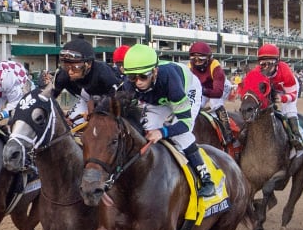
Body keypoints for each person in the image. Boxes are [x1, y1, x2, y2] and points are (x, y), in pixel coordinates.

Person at [121, 44, 215, 198]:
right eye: (133, 77)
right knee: (146, 129)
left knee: (180, 135)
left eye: (143, 76)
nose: (137, 82)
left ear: (154, 71)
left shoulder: (171, 81)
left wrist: (163, 132)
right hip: (159, 98)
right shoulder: (128, 84)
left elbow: (184, 124)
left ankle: (205, 178)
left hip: (187, 89)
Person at [245, 43, 303, 150]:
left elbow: (293, 95)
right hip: (272, 88)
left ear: (277, 62)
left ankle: (296, 135)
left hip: (286, 89)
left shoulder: (285, 70)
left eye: (270, 63)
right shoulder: (257, 72)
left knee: (288, 109)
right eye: (263, 63)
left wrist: (282, 98)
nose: (266, 67)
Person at [52, 38, 123, 127]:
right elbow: (50, 99)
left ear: (88, 64)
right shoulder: (63, 75)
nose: (70, 72)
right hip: (83, 98)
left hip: (106, 100)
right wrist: (62, 116)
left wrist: (97, 111)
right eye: (66, 66)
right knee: (74, 122)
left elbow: (118, 100)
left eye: (75, 67)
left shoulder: (104, 74)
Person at [186, 41, 234, 144]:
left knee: (215, 104)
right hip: (203, 88)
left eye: (200, 59)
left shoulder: (215, 67)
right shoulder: (189, 67)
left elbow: (217, 93)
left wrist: (202, 90)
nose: (197, 62)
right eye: (194, 58)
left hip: (220, 87)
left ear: (208, 58)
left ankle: (227, 132)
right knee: (193, 105)